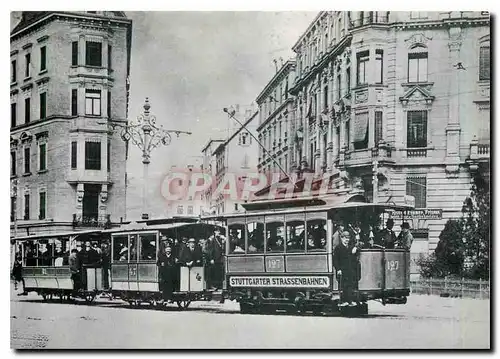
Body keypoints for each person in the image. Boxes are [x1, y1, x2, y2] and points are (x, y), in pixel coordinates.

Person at [333, 231, 361, 306]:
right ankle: (343, 301)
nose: (347, 240)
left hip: (350, 270)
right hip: (342, 271)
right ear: (341, 238)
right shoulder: (338, 248)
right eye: (345, 238)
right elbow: (335, 260)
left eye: (348, 238)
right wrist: (338, 269)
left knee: (350, 286)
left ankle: (350, 300)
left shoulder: (351, 247)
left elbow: (357, 252)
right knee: (343, 286)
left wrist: (356, 249)